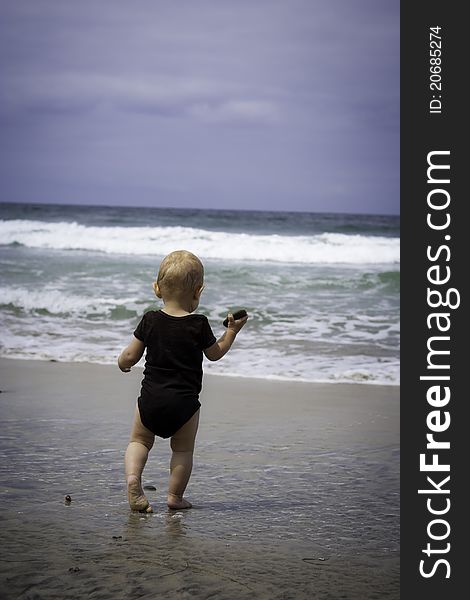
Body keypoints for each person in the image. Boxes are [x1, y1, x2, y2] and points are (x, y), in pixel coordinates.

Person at [118, 250, 248, 512]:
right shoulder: (198, 324)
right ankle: (174, 497)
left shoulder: (150, 320)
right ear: (198, 291)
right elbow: (215, 354)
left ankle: (134, 479)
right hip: (185, 405)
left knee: (139, 442)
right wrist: (231, 332)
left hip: (151, 400)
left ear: (156, 289)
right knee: (183, 451)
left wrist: (123, 363)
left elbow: (130, 355)